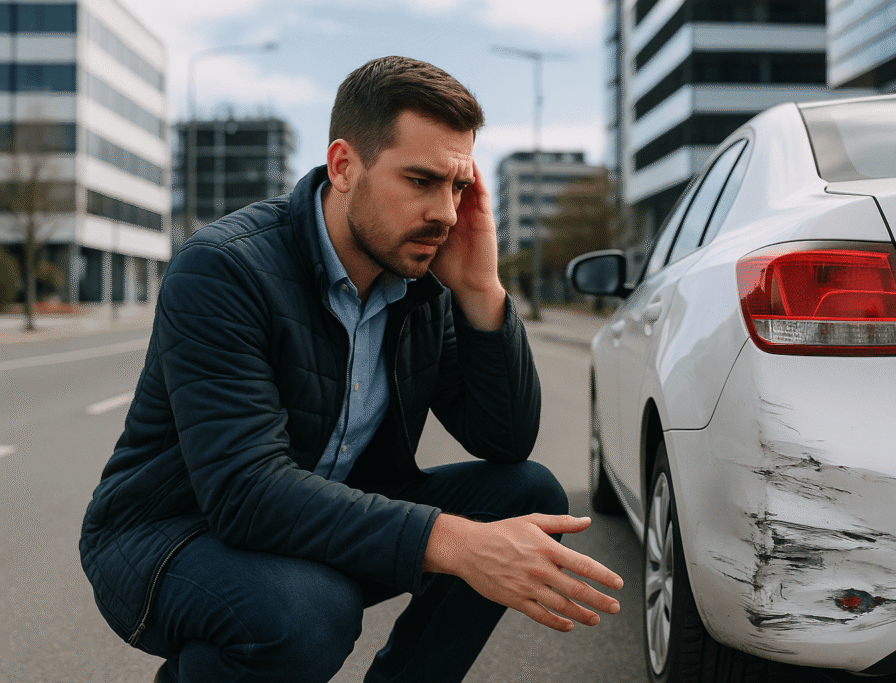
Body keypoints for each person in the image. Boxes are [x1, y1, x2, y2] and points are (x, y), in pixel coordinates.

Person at [79, 56, 622, 683]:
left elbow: (503, 440)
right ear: (343, 166)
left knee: (527, 497)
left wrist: (480, 290)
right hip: (170, 535)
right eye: (421, 180)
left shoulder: (423, 282)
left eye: (457, 186)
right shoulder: (224, 269)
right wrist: (454, 543)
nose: (446, 213)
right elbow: (243, 493)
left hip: (317, 520)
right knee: (306, 613)